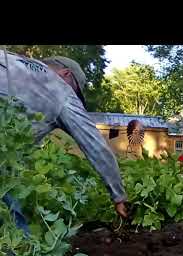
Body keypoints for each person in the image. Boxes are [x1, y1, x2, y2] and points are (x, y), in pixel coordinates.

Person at [0, 51, 128, 234]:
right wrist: (119, 196)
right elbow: (96, 145)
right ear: (66, 74)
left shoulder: (12, 59)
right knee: (14, 225)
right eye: (76, 90)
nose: (74, 96)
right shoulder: (62, 91)